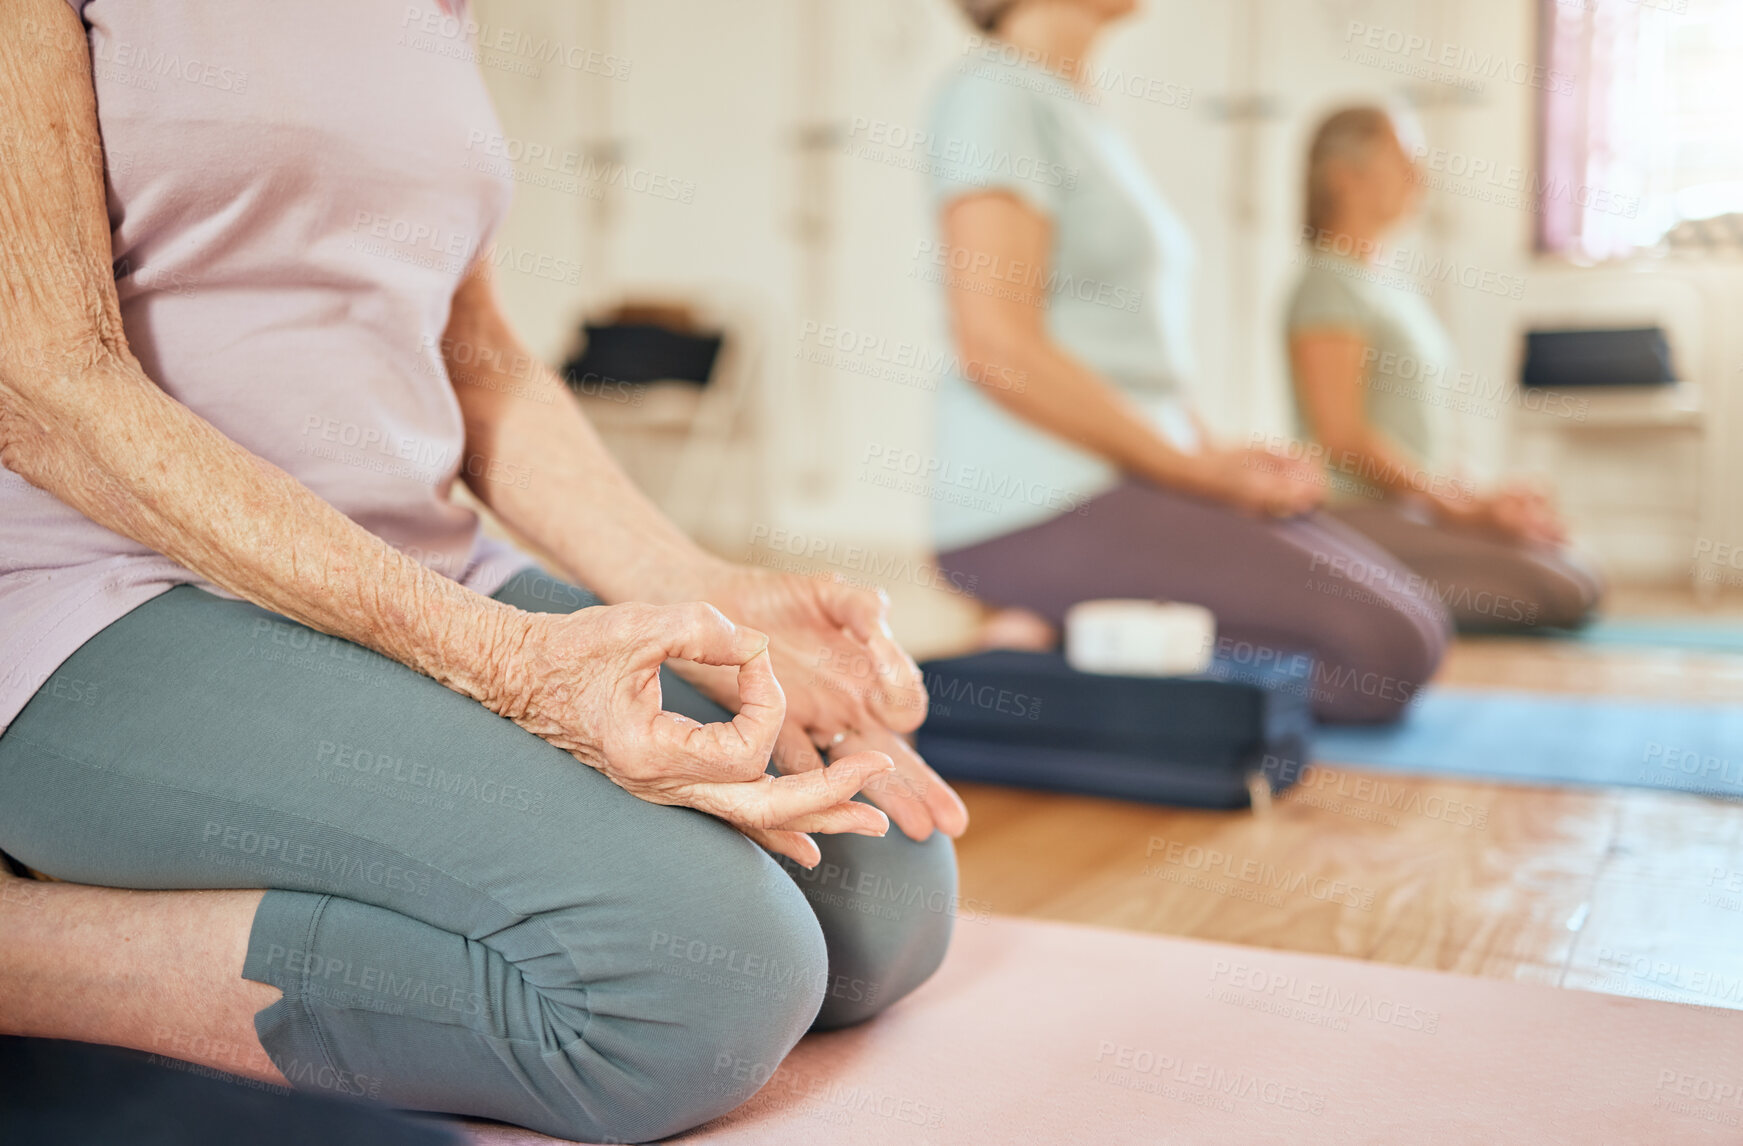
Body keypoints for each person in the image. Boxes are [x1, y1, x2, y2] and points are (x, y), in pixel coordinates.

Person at [0, 3, 966, 1142]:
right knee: (695, 988)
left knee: (880, 893)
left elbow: (481, 355)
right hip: (101, 593)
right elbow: (45, 382)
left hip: (426, 569)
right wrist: (503, 664)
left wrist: (697, 581)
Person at [928, 0, 1449, 722]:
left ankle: (1048, 647)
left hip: (1132, 478)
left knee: (1417, 623)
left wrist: (1219, 458)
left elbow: (1136, 368)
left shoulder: (1076, 110)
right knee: (1384, 653)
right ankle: (1025, 681)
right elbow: (996, 346)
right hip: (1030, 502)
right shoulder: (994, 95)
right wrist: (1192, 472)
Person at [1286, 107, 1604, 631]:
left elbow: (1416, 435)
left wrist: (1482, 501)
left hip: (1411, 510)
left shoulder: (1386, 287)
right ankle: (1345, 593)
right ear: (1347, 177)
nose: (1420, 179)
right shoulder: (1328, 283)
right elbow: (1342, 436)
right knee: (1562, 587)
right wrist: (1460, 513)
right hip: (1356, 515)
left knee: (1577, 567)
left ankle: (1382, 590)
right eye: (1404, 163)